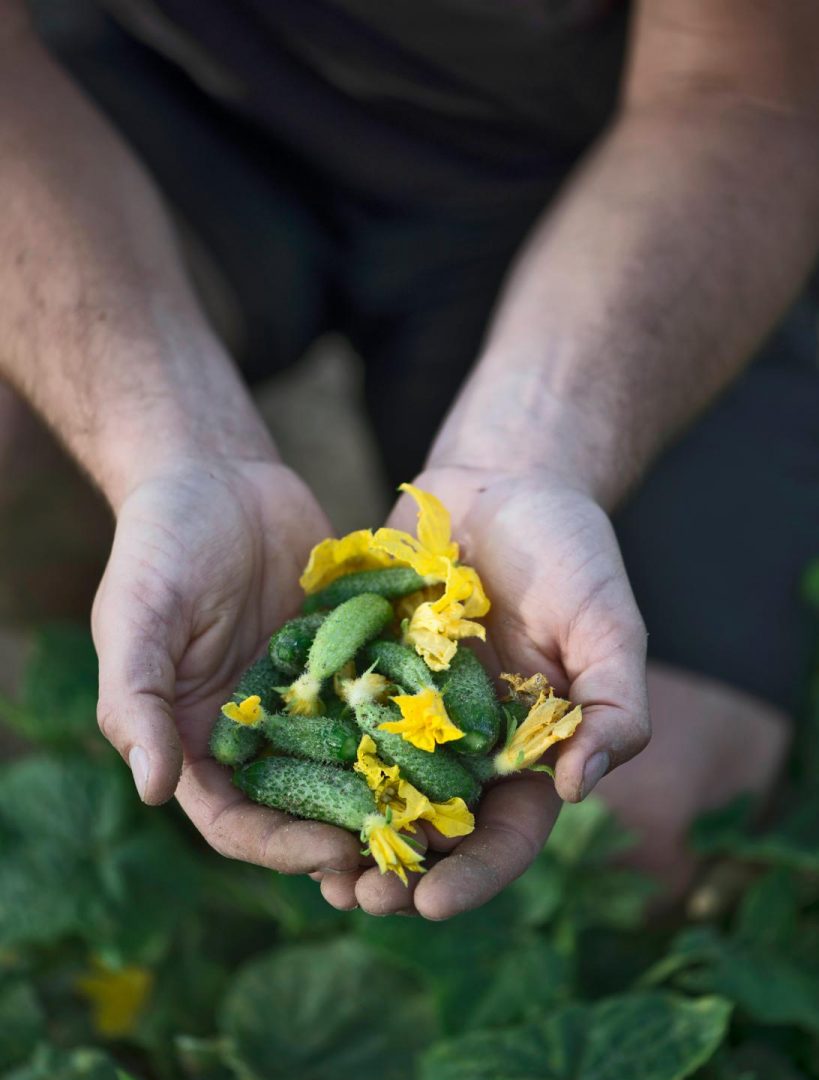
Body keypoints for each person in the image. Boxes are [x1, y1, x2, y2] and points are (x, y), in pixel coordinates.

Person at [1, 0, 817, 917]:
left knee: (638, 824)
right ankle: (112, 731)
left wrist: (532, 455)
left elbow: (739, 93)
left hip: (594, 165)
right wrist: (166, 452)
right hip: (178, 95)